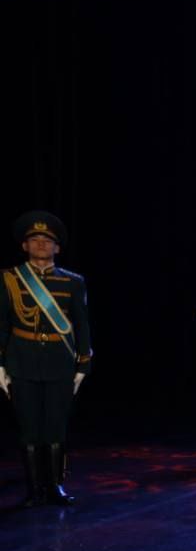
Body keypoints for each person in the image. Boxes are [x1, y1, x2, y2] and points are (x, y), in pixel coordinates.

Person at [0, 211, 91, 506]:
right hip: (21, 362)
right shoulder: (9, 279)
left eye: (47, 240)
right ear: (24, 245)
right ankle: (33, 490)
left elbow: (82, 324)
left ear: (57, 248)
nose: (41, 244)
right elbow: (2, 323)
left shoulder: (73, 282)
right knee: (28, 429)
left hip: (59, 362)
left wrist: (83, 363)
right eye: (35, 239)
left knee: (55, 427)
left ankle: (54, 487)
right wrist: (0, 365)